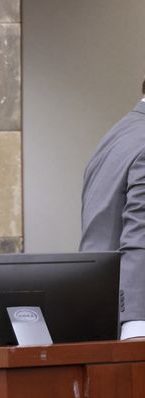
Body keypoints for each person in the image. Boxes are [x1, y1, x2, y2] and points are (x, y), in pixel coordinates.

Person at [80, 79, 145, 339]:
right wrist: (137, 323)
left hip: (99, 314)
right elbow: (141, 236)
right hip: (132, 330)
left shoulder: (118, 134)